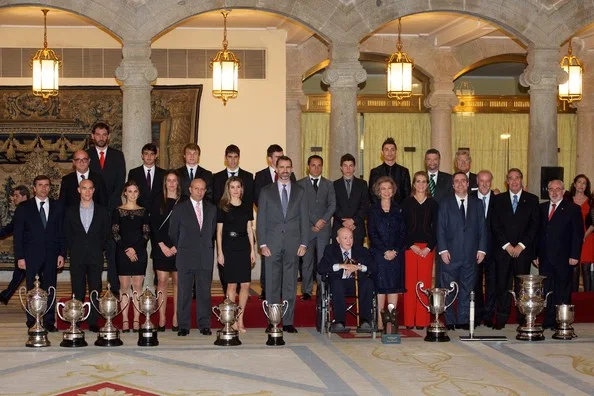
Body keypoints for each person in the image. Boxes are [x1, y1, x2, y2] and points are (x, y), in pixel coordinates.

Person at [256, 155, 308, 334]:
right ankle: (273, 320)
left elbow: (304, 218)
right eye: (282, 167)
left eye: (288, 167)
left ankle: (287, 321)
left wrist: (304, 243)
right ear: (276, 169)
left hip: (293, 244)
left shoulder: (300, 191)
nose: (285, 171)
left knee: (290, 283)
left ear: (292, 169)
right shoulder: (265, 191)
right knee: (272, 283)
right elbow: (261, 219)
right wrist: (262, 244)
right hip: (272, 244)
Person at [13, 175, 66, 331]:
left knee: (50, 288)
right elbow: (18, 234)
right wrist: (20, 257)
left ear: (50, 187)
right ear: (34, 188)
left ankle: (49, 321)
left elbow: (62, 232)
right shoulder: (24, 208)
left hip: (52, 254)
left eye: (47, 185)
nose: (44, 188)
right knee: (32, 289)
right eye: (40, 185)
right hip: (31, 256)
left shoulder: (58, 206)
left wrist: (62, 253)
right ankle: (32, 319)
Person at [437, 172, 488, 330]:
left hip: (471, 254)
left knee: (467, 289)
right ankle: (451, 321)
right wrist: (443, 250)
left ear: (468, 184)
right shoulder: (445, 203)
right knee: (449, 289)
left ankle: (463, 320)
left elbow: (482, 228)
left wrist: (482, 249)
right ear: (453, 185)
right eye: (456, 182)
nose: (460, 184)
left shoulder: (477, 203)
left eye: (463, 181)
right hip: (450, 255)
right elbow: (441, 228)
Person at [490, 168, 539, 330]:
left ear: (522, 179)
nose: (514, 181)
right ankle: (501, 318)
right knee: (502, 286)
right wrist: (507, 246)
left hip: (522, 252)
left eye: (517, 178)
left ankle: (522, 318)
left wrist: (521, 245)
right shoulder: (498, 200)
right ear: (506, 181)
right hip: (503, 251)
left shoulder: (532, 199)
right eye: (511, 178)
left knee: (521, 286)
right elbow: (494, 225)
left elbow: (534, 226)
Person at [169, 178, 217, 336]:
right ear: (190, 189)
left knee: (204, 292)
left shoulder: (211, 208)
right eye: (196, 188)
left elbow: (211, 232)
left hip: (205, 255)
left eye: (202, 189)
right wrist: (183, 246)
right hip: (186, 255)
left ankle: (204, 324)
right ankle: (183, 325)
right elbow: (172, 232)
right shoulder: (180, 208)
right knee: (184, 292)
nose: (200, 192)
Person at [534, 180, 583, 329]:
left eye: (558, 189)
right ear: (547, 191)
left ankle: (562, 321)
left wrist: (575, 255)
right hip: (544, 257)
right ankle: (549, 320)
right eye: (551, 189)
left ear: (563, 191)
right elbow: (537, 233)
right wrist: (535, 254)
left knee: (562, 290)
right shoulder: (541, 208)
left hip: (564, 257)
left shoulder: (573, 209)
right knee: (547, 290)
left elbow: (578, 233)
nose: (554, 192)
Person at [64, 179, 111, 333]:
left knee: (95, 289)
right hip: (77, 256)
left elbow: (106, 233)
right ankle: (76, 319)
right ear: (79, 190)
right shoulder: (70, 211)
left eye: (90, 188)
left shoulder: (102, 211)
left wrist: (98, 247)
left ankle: (92, 321)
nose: (87, 191)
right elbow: (67, 234)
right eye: (84, 188)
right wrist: (73, 248)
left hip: (95, 255)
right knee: (77, 289)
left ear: (93, 190)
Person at [87, 122, 126, 294]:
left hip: (112, 211)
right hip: (91, 211)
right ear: (92, 136)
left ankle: (114, 289)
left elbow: (120, 182)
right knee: (94, 251)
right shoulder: (86, 156)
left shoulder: (118, 156)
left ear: (108, 136)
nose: (101, 137)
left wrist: (110, 206)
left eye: (104, 134)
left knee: (113, 250)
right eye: (98, 134)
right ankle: (95, 289)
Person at [254, 144, 296, 300]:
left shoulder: (291, 176)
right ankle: (266, 289)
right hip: (271, 226)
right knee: (268, 264)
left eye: (282, 156)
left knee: (287, 269)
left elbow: (294, 201)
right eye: (277, 157)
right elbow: (258, 199)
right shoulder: (260, 176)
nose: (280, 160)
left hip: (288, 232)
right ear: (270, 159)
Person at [216, 176, 256, 333]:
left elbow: (250, 230)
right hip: (229, 247)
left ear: (242, 189)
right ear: (228, 189)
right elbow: (219, 232)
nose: (235, 190)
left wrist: (252, 250)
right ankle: (230, 319)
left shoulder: (247, 207)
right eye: (232, 187)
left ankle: (241, 319)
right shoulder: (223, 206)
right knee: (231, 285)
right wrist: (220, 252)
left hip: (243, 246)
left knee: (245, 284)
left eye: (238, 187)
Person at [318, 227, 376, 332]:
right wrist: (341, 266)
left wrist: (359, 267)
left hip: (357, 283)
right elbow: (321, 268)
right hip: (338, 283)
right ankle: (339, 322)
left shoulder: (361, 250)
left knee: (368, 283)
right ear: (338, 240)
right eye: (345, 238)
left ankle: (365, 322)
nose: (349, 241)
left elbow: (374, 268)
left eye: (351, 238)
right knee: (337, 284)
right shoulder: (330, 250)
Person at [212, 144, 254, 292]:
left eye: (236, 157)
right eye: (230, 157)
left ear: (239, 158)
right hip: (225, 231)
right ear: (225, 159)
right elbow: (213, 203)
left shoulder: (248, 177)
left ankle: (238, 306)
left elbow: (250, 202)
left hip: (243, 231)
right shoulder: (216, 178)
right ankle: (228, 304)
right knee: (228, 279)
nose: (233, 160)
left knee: (243, 282)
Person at [367, 176, 406, 331]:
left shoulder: (399, 208)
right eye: (383, 188)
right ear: (378, 191)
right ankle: (380, 321)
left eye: (389, 188)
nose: (386, 191)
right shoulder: (373, 210)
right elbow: (372, 233)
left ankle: (391, 320)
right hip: (379, 253)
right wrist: (384, 251)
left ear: (393, 190)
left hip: (396, 254)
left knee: (393, 287)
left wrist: (394, 250)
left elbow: (403, 232)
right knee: (381, 287)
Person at [112, 180, 150, 332]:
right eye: (130, 191)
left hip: (140, 252)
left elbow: (146, 233)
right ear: (125, 193)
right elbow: (115, 233)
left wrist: (135, 249)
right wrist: (127, 249)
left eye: (135, 191)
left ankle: (136, 320)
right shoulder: (117, 211)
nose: (133, 194)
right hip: (122, 252)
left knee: (138, 287)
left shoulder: (143, 211)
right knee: (124, 287)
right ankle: (125, 320)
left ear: (138, 193)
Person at [401, 171, 437, 330]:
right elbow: (402, 228)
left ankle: (422, 321)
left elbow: (437, 229)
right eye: (418, 181)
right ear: (413, 184)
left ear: (427, 184)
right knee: (410, 284)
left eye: (424, 182)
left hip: (427, 249)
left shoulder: (433, 204)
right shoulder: (406, 203)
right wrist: (412, 246)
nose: (421, 184)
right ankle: (409, 320)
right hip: (410, 248)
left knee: (424, 285)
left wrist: (429, 247)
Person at [297, 155, 336, 301]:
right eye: (313, 165)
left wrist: (323, 221)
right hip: (307, 228)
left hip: (324, 229)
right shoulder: (300, 184)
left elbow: (332, 205)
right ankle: (306, 290)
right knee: (306, 261)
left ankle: (322, 289)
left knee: (322, 260)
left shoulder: (328, 184)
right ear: (308, 166)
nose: (316, 168)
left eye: (319, 165)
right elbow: (300, 206)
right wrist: (314, 222)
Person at [150, 170, 181, 332]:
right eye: (168, 180)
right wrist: (162, 245)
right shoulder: (157, 200)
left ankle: (176, 316)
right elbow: (154, 224)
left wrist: (176, 246)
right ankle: (161, 317)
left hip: (178, 247)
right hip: (160, 246)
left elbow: (185, 226)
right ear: (164, 183)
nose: (171, 183)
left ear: (178, 183)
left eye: (174, 180)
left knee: (177, 282)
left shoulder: (183, 201)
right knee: (161, 281)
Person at [471, 170, 497, 327]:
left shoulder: (499, 199)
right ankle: (477, 315)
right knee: (475, 284)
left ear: (491, 181)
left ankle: (488, 316)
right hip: (474, 250)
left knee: (492, 284)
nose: (484, 184)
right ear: (477, 181)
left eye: (487, 181)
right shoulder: (470, 199)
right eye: (481, 180)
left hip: (494, 251)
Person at [0, 185, 30, 305]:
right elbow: (11, 227)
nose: (13, 198)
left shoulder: (24, 208)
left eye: (16, 195)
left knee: (22, 273)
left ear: (24, 196)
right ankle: (6, 295)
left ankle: (6, 295)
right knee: (20, 273)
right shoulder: (22, 209)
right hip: (26, 248)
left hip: (29, 248)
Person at [332, 153, 369, 247]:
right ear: (341, 168)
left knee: (357, 259)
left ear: (354, 168)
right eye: (345, 166)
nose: (348, 169)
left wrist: (353, 220)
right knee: (339, 259)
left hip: (357, 228)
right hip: (339, 226)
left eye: (351, 166)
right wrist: (345, 222)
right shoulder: (334, 185)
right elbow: (333, 205)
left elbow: (365, 205)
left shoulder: (363, 184)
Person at [566, 174, 594, 292]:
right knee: (574, 268)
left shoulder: (591, 201)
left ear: (586, 186)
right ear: (574, 184)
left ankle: (588, 299)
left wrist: (583, 236)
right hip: (571, 238)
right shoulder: (567, 199)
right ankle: (574, 298)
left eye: (584, 183)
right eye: (579, 182)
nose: (581, 185)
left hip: (588, 237)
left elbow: (593, 223)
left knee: (586, 269)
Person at [368, 137, 411, 204]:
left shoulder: (404, 171)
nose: (390, 152)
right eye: (386, 150)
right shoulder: (375, 171)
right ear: (382, 152)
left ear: (396, 152)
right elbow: (372, 194)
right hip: (379, 210)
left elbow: (407, 194)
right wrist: (381, 208)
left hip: (399, 211)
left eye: (392, 149)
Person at [127, 143, 166, 212]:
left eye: (152, 154)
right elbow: (130, 195)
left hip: (158, 213)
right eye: (146, 154)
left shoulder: (163, 173)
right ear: (142, 156)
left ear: (156, 156)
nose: (149, 156)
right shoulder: (134, 173)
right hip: (139, 212)